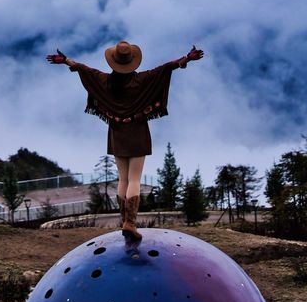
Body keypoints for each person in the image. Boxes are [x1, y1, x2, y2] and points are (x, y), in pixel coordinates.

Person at [47, 39, 204, 240]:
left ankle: (124, 221)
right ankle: (130, 223)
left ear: (113, 61)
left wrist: (65, 60)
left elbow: (83, 69)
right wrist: (187, 59)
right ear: (132, 61)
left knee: (123, 178)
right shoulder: (143, 80)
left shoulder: (104, 80)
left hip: (116, 131)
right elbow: (166, 68)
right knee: (135, 179)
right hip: (137, 130)